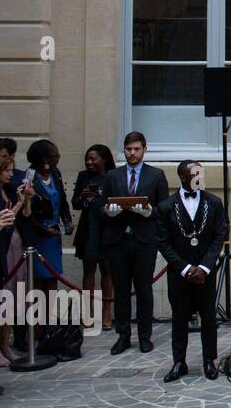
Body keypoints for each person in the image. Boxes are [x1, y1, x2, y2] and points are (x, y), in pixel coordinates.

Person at [156, 161, 228, 382]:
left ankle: (209, 360)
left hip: (205, 273)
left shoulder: (214, 203)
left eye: (201, 173)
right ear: (182, 177)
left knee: (208, 317)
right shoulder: (166, 206)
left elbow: (219, 237)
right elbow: (163, 242)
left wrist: (205, 267)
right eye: (195, 174)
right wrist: (185, 268)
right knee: (179, 317)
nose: (200, 177)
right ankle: (179, 362)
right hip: (180, 273)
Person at [101, 131, 169, 354]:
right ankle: (122, 336)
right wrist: (108, 212)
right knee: (121, 290)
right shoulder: (113, 175)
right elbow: (102, 206)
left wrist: (149, 211)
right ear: (124, 150)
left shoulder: (156, 175)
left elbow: (165, 209)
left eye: (136, 149)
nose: (132, 153)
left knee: (143, 290)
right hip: (118, 239)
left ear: (144, 149)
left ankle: (144, 336)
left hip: (144, 240)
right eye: (129, 149)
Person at [72, 144, 116, 330]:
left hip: (106, 228)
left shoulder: (113, 176)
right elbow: (75, 204)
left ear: (104, 159)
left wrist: (100, 195)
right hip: (88, 227)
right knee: (88, 271)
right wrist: (83, 196)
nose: (89, 162)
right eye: (87, 159)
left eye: (93, 158)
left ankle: (106, 312)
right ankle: (87, 312)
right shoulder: (83, 176)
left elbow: (116, 202)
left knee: (107, 271)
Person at [25, 139, 72, 305]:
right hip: (38, 235)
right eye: (56, 155)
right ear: (45, 159)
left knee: (53, 276)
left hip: (54, 235)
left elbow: (63, 200)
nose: (58, 158)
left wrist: (67, 221)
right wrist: (44, 230)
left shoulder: (55, 173)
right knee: (38, 279)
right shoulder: (30, 177)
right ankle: (37, 325)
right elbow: (27, 213)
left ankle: (49, 321)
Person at [0, 154, 34, 366]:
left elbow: (18, 218)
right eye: (7, 170)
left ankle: (4, 344)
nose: (12, 174)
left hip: (12, 243)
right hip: (3, 246)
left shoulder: (8, 190)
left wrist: (23, 201)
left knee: (10, 298)